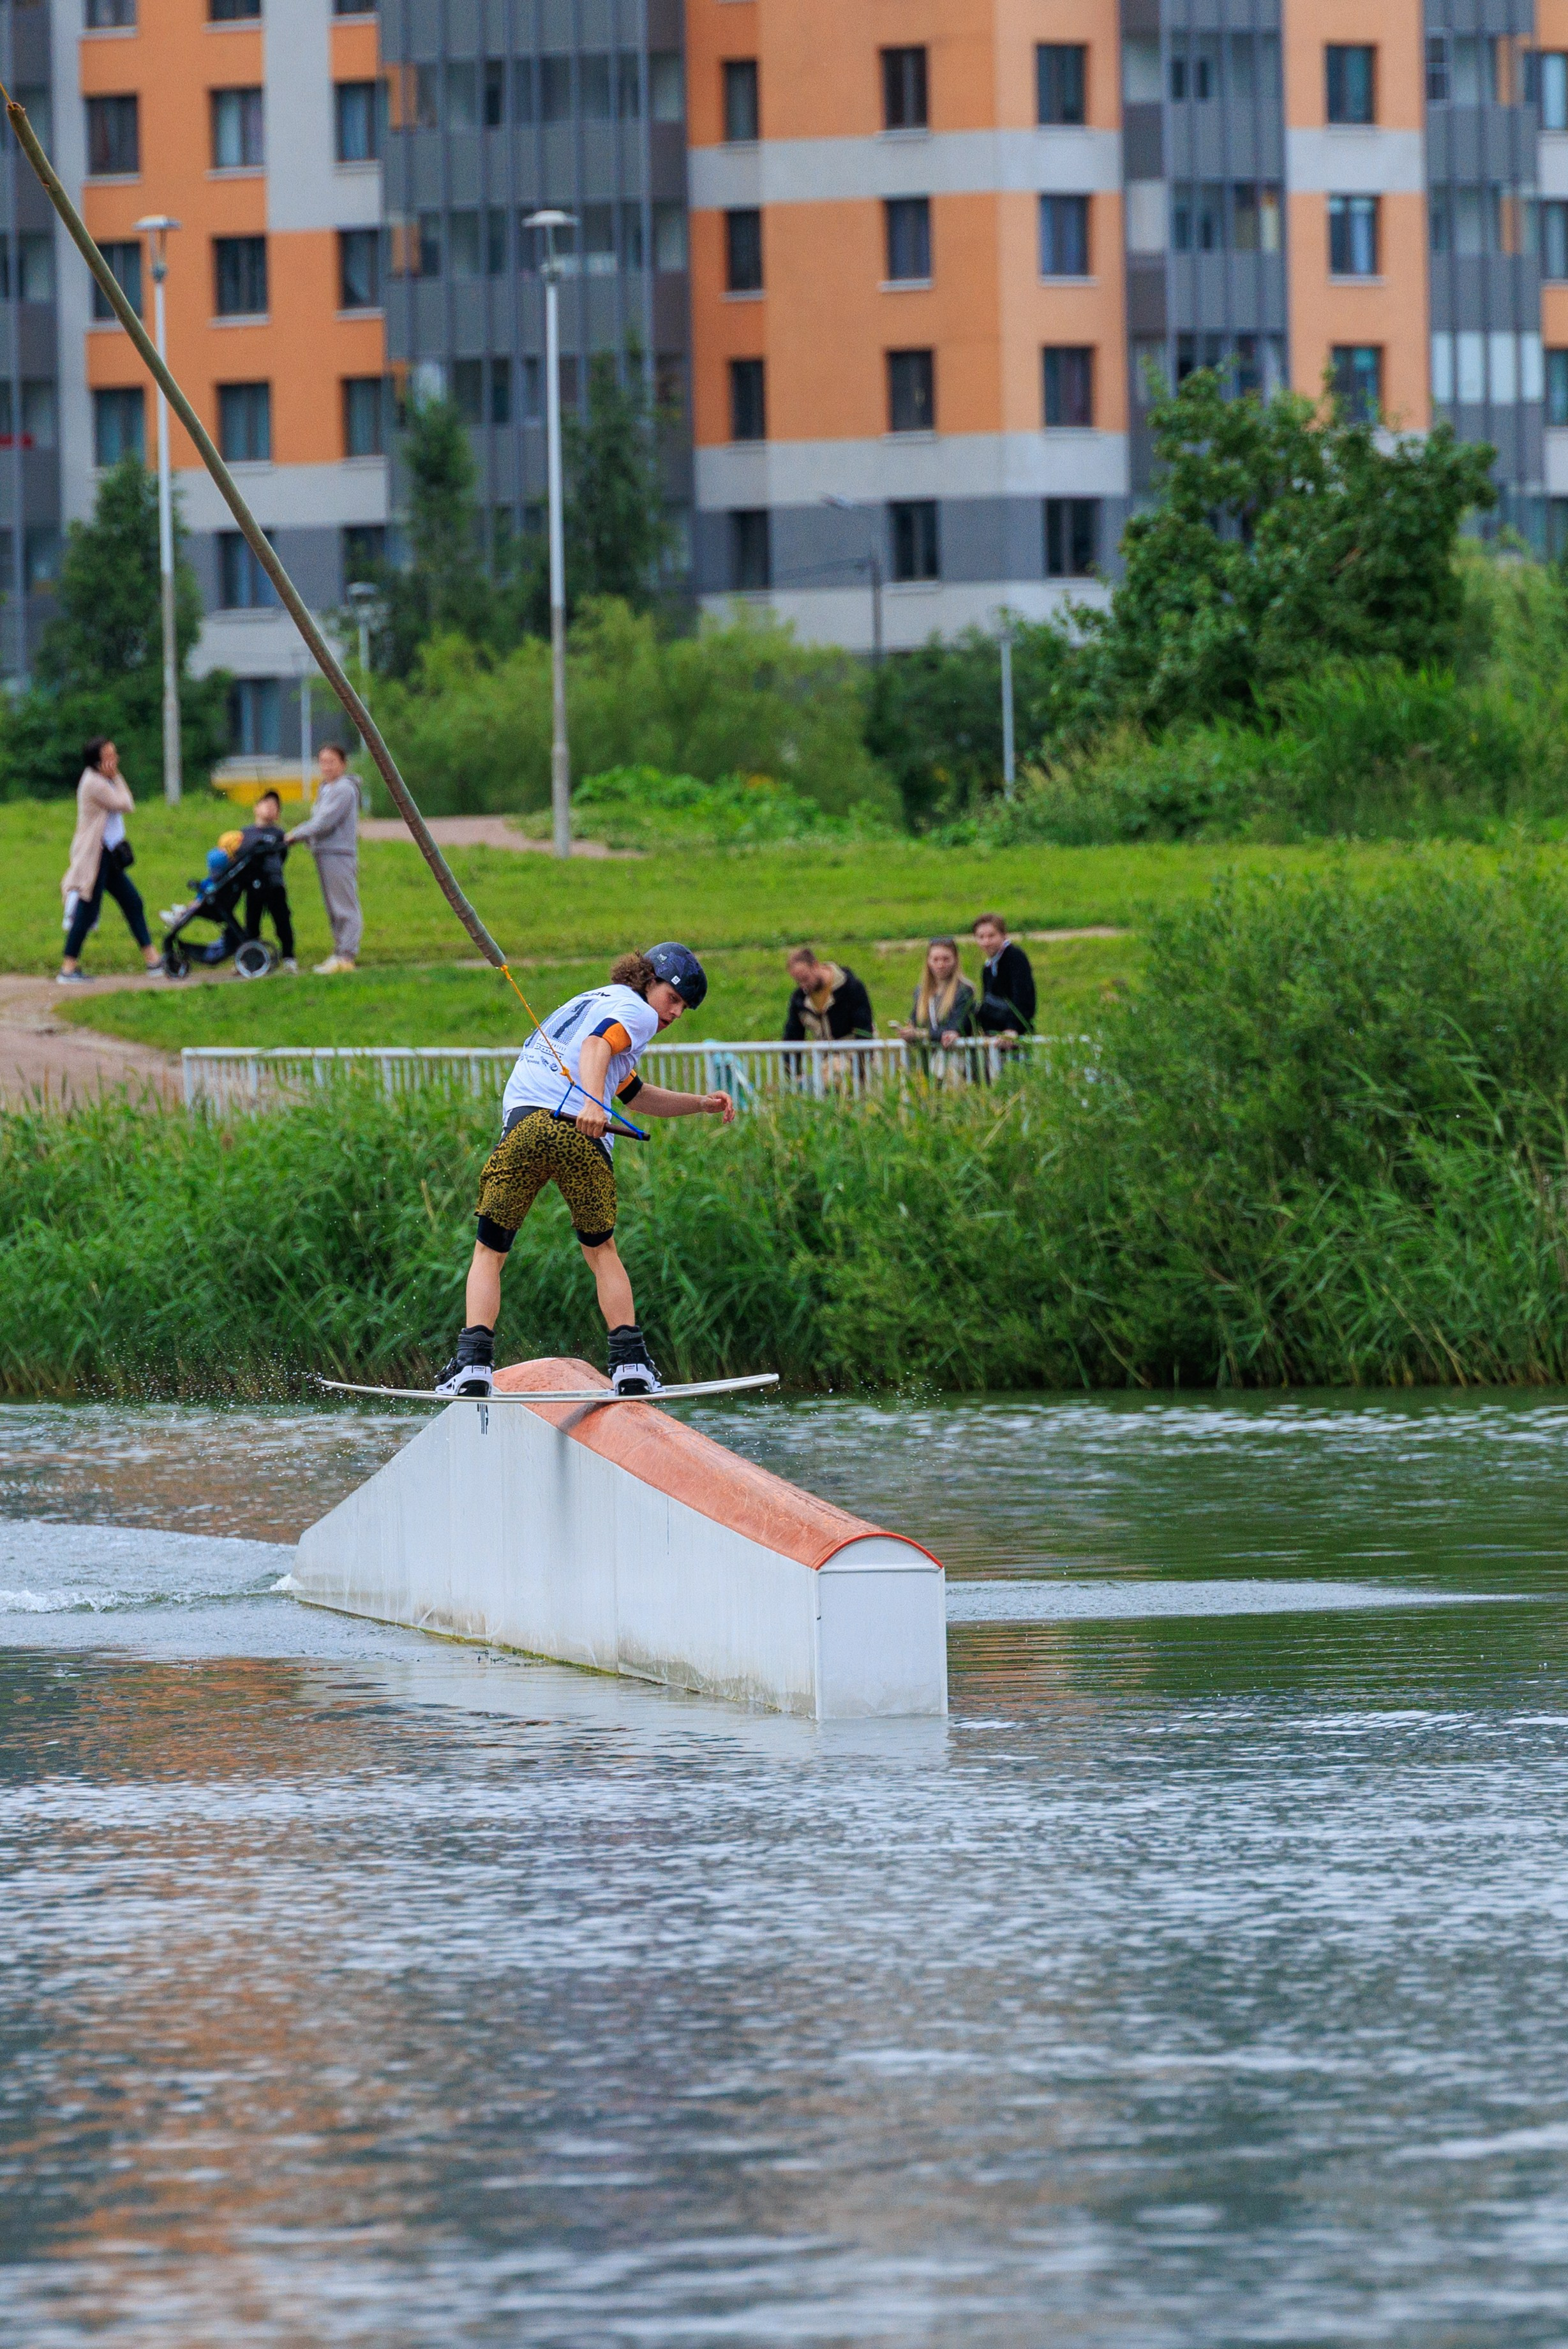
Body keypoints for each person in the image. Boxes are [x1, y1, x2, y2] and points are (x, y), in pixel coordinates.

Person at [436, 944, 735, 1400]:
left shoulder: (596, 1001)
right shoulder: (634, 1012)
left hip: (524, 1127)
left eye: (684, 1007)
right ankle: (630, 1364)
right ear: (648, 979)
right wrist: (594, 1104)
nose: (675, 1012)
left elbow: (633, 1094)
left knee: (489, 1251)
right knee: (602, 1251)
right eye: (672, 998)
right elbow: (598, 1047)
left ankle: (473, 1365)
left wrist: (700, 1104)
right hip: (576, 1133)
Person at [57, 738, 163, 983]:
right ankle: (68, 969)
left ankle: (152, 960)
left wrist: (113, 776)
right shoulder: (95, 783)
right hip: (96, 856)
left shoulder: (101, 779)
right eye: (110, 756)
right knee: (87, 910)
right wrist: (116, 777)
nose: (115, 759)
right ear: (98, 761)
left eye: (115, 754)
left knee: (133, 902)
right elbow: (126, 804)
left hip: (108, 855)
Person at [286, 742, 361, 974]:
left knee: (344, 906)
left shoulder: (343, 789)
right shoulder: (325, 789)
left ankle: (346, 955)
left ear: (343, 764)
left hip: (339, 853)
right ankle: (339, 953)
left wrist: (294, 835)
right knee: (333, 907)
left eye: (332, 762)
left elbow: (324, 822)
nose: (326, 767)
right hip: (324, 853)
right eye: (323, 762)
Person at [239, 789, 297, 972]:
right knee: (252, 922)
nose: (270, 808)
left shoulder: (279, 834)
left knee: (282, 920)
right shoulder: (245, 833)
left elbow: (282, 854)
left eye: (275, 807)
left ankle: (289, 956)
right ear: (256, 808)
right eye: (267, 804)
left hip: (274, 884)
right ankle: (250, 958)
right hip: (253, 885)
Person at [899, 937, 978, 1050]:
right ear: (928, 961)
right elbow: (915, 1021)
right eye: (935, 960)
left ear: (955, 960)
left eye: (946, 959)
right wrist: (907, 1032)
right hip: (931, 1057)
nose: (940, 965)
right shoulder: (921, 992)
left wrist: (920, 1034)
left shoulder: (965, 991)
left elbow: (956, 1026)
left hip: (959, 1057)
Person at [781, 948, 874, 1041]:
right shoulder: (799, 999)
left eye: (806, 979)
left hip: (855, 1051)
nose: (803, 986)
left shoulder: (851, 987)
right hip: (823, 1054)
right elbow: (793, 1038)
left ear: (816, 966)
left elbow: (864, 1030)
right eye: (798, 982)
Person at [973, 913, 1036, 1041]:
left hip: (1014, 1035)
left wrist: (1013, 1028)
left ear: (1003, 935)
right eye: (981, 937)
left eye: (991, 936)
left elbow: (1023, 997)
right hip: (994, 1035)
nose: (986, 942)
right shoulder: (988, 968)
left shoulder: (1015, 957)